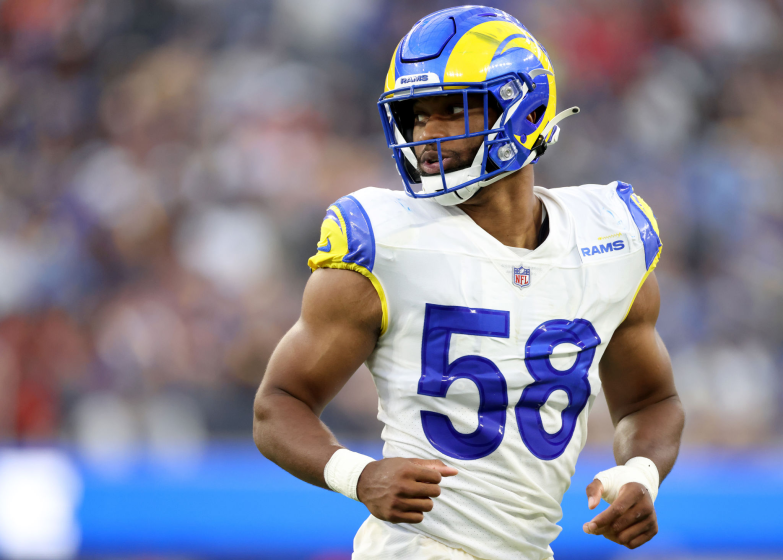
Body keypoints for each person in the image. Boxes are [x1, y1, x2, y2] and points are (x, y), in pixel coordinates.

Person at [253, 6, 684, 560]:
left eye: (453, 109)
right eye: (417, 116)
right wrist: (358, 476)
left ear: (522, 106)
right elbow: (278, 403)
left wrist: (641, 473)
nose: (428, 133)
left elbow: (652, 400)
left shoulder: (610, 238)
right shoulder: (386, 240)